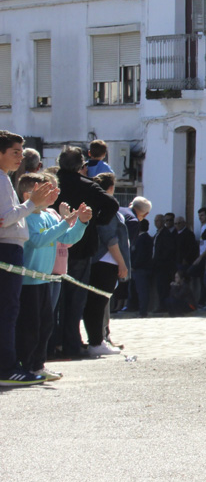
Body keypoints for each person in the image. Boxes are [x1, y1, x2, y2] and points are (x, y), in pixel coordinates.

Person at [14, 173, 88, 381]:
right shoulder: (26, 216)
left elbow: (66, 238)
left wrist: (80, 223)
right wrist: (65, 223)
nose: (54, 194)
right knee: (30, 326)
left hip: (44, 279)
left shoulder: (49, 215)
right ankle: (25, 365)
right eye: (48, 190)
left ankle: (38, 365)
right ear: (29, 193)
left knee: (46, 325)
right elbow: (37, 241)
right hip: (27, 281)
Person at [52, 145, 117, 358]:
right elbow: (112, 204)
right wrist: (94, 222)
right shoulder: (87, 186)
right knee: (74, 299)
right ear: (81, 165)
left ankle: (51, 344)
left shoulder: (51, 184)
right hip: (79, 246)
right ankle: (70, 344)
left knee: (51, 299)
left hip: (50, 245)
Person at [84, 173, 129, 356]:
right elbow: (110, 239)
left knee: (97, 303)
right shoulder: (108, 209)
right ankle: (96, 342)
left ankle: (97, 339)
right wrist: (122, 263)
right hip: (105, 260)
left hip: (101, 260)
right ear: (110, 188)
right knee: (98, 303)